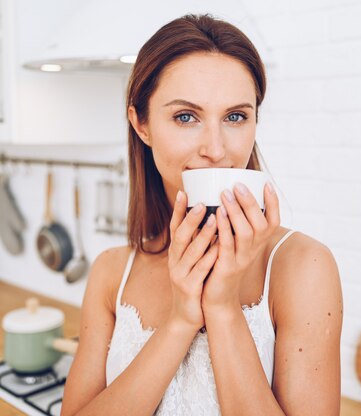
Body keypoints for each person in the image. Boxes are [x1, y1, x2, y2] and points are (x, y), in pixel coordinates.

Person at [61, 13, 343, 416]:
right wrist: (180, 321)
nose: (216, 148)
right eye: (186, 117)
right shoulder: (111, 272)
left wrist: (223, 307)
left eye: (235, 117)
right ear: (141, 124)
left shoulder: (302, 267)